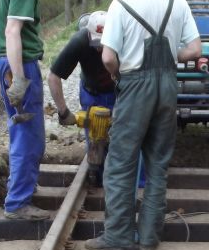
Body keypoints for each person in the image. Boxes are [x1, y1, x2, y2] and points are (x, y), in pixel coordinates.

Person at [86, 0, 202, 250]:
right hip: (167, 86)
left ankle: (118, 237)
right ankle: (149, 238)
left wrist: (116, 75)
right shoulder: (177, 0)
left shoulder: (121, 3)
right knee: (158, 164)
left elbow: (109, 57)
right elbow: (194, 49)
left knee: (121, 163)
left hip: (135, 85)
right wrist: (168, 58)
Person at [0, 0, 70, 220]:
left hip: (6, 62)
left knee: (19, 130)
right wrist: (19, 76)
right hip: (20, 65)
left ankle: (21, 189)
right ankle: (18, 203)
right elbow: (12, 30)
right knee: (29, 135)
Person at [48, 11, 146, 188]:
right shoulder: (80, 41)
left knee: (128, 138)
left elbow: (139, 76)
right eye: (96, 44)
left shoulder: (127, 40)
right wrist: (64, 112)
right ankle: (98, 179)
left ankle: (135, 184)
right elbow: (54, 77)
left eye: (104, 43)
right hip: (91, 92)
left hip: (119, 91)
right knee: (96, 139)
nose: (100, 49)